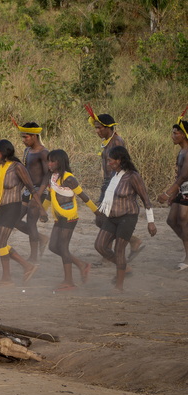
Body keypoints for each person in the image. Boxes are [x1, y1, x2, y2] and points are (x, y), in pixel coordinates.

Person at [0, 139, 44, 286]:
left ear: (3, 152)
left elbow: (31, 189)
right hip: (1, 208)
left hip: (13, 207)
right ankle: (26, 266)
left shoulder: (17, 167)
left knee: (1, 243)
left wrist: (42, 209)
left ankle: (7, 278)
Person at [94, 146, 156, 291]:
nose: (108, 163)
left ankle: (119, 286)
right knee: (100, 245)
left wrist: (151, 222)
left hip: (128, 217)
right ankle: (125, 268)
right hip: (112, 217)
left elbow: (146, 199)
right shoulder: (115, 175)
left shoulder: (133, 176)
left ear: (119, 160)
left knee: (119, 250)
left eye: (110, 160)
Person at [87, 107, 144, 258]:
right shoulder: (108, 141)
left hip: (114, 182)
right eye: (96, 128)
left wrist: (117, 184)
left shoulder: (117, 141)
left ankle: (121, 246)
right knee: (102, 219)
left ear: (108, 127)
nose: (97, 131)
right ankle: (129, 242)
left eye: (99, 128)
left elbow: (123, 163)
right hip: (109, 182)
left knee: (104, 219)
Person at [46, 149, 100, 290]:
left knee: (63, 247)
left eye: (52, 161)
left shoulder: (69, 178)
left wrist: (96, 212)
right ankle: (81, 264)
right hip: (58, 216)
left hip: (69, 216)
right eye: (48, 161)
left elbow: (83, 196)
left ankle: (69, 281)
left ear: (60, 162)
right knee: (53, 246)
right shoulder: (52, 178)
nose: (49, 164)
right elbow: (49, 196)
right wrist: (41, 211)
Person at [15, 120, 49, 262]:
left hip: (39, 191)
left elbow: (47, 175)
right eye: (22, 137)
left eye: (26, 137)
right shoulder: (27, 151)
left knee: (31, 222)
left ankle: (33, 257)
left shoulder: (43, 153)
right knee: (15, 220)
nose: (23, 140)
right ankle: (41, 238)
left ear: (34, 136)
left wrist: (38, 194)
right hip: (28, 191)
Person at [159, 116, 188, 270]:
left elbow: (184, 176)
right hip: (182, 189)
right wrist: (173, 194)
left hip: (187, 188)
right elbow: (179, 177)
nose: (173, 136)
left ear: (184, 135)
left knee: (183, 220)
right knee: (171, 220)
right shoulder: (181, 152)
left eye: (176, 133)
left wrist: (167, 193)